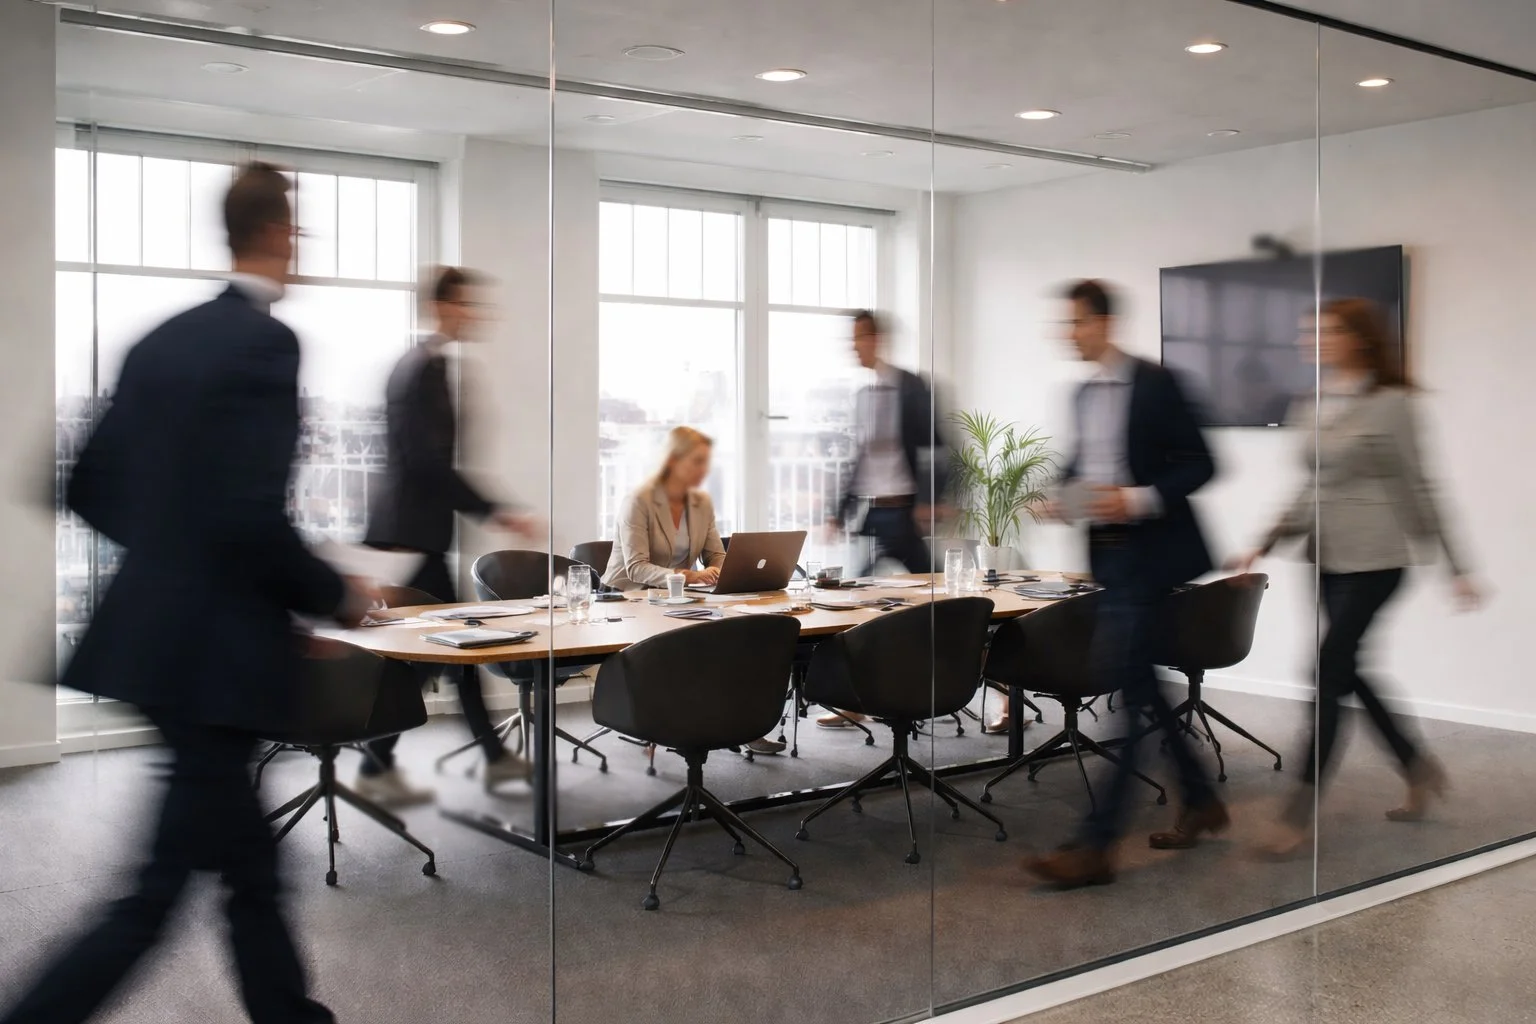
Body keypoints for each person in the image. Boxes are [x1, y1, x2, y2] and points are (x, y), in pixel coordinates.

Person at [1, 163, 366, 1024]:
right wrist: (328, 592)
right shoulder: (266, 343)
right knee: (157, 892)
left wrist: (173, 562)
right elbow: (248, 512)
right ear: (277, 232)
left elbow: (83, 482)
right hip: (214, 658)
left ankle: (287, 1012)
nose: (300, 245)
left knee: (247, 866)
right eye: (299, 229)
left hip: (162, 641)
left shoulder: (161, 339)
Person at [1230, 298, 1480, 857]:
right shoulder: (1312, 403)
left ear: (1359, 339)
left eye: (1325, 330)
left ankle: (1297, 812)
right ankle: (1416, 765)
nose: (1311, 339)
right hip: (1326, 557)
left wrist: (1457, 567)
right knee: (1344, 668)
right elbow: (1311, 487)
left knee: (1325, 667)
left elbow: (1421, 487)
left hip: (1378, 560)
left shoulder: (1394, 404)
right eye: (1308, 330)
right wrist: (1266, 538)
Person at [1025, 279, 1227, 889]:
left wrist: (1135, 499)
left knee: (1129, 695)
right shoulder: (1084, 393)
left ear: (1104, 324)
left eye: (1077, 324)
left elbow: (1203, 463)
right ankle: (1202, 800)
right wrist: (1060, 498)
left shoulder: (1157, 383)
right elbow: (1085, 467)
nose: (1069, 334)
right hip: (1106, 557)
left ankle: (1097, 846)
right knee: (1140, 687)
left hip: (1151, 553)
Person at [359, 265, 538, 802]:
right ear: (442, 306)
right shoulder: (426, 368)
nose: (475, 314)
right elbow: (428, 463)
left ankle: (381, 760)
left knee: (436, 653)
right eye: (467, 303)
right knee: (457, 648)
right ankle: (487, 758)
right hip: (410, 538)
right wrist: (497, 510)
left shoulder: (416, 365)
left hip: (409, 534)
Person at [604, 427, 785, 756]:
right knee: (692, 645)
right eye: (697, 461)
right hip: (630, 598)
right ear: (673, 461)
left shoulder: (701, 503)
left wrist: (727, 569)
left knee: (741, 634)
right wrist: (689, 575)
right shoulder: (639, 501)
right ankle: (667, 723)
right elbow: (636, 568)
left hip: (680, 597)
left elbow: (715, 554)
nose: (704, 470)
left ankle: (743, 724)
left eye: (706, 462)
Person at [820, 309, 948, 730]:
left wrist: (931, 501)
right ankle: (856, 699)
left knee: (946, 604)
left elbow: (941, 448)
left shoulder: (912, 388)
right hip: (874, 513)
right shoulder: (864, 396)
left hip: (905, 513)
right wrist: (838, 514)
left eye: (858, 338)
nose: (852, 346)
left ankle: (999, 691)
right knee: (853, 604)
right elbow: (860, 460)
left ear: (876, 339)